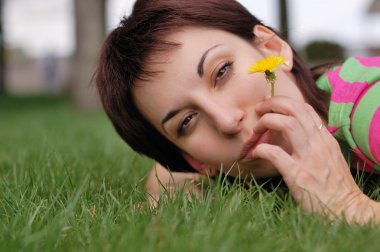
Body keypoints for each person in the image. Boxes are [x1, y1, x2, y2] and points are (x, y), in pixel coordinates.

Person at [95, 0, 380, 224]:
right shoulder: (209, 163)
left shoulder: (366, 105)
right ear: (194, 160)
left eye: (222, 72)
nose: (226, 121)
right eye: (187, 122)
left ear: (271, 48)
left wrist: (351, 206)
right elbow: (169, 175)